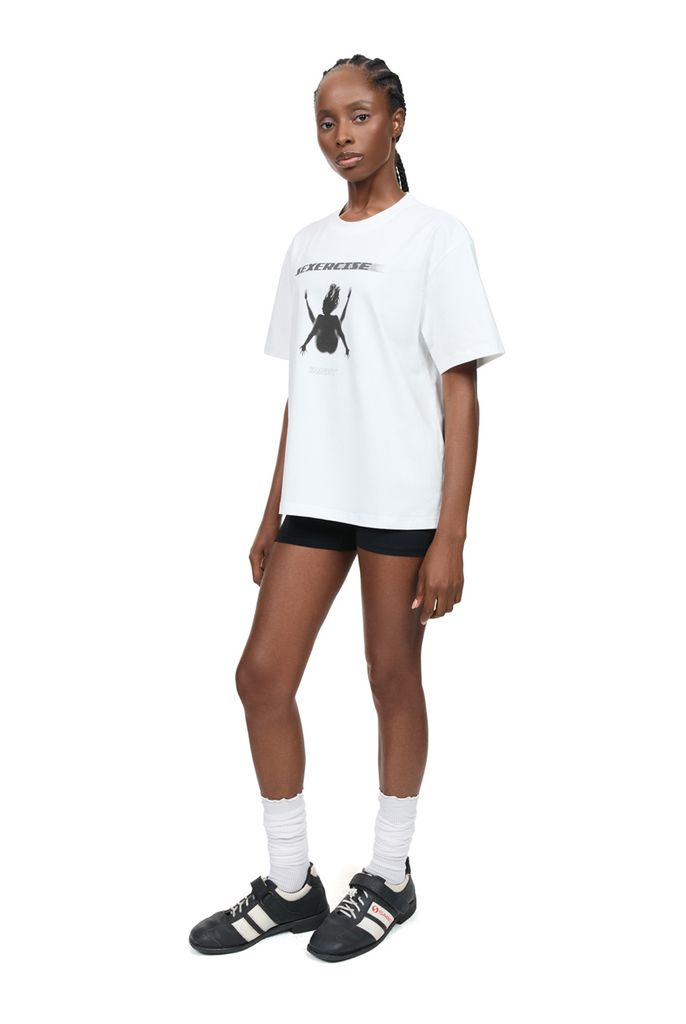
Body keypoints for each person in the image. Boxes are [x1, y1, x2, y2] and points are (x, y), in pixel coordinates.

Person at [188, 53, 505, 963]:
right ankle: (292, 887)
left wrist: (451, 534)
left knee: (390, 676)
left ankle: (390, 876)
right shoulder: (305, 244)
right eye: (326, 121)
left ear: (397, 120)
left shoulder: (437, 237)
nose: (341, 136)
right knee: (261, 676)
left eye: (359, 116)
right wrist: (271, 509)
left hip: (401, 500)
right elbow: (307, 388)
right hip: (317, 499)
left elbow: (459, 393)